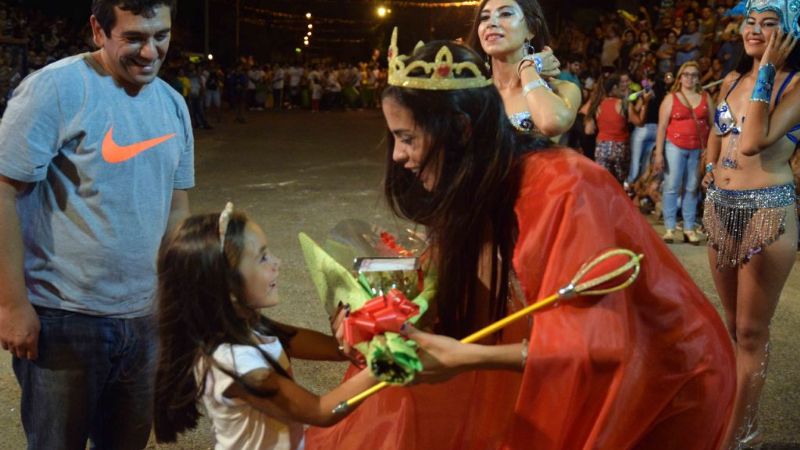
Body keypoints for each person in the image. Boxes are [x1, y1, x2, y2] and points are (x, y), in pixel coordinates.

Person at [309, 31, 735, 450]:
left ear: (459, 129)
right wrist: (377, 322)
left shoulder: (567, 186)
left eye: (407, 138)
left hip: (663, 385)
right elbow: (448, 292)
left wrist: (464, 357)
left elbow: (602, 344)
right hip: (592, 363)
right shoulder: (474, 184)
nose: (399, 157)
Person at [0, 1, 193, 448]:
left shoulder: (173, 104)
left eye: (160, 35)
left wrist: (175, 297)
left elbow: (177, 206)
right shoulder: (56, 90)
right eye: (134, 38)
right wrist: (12, 306)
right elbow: (4, 191)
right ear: (97, 30)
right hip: (64, 319)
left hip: (144, 319)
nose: (150, 53)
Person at [153, 206, 377, 449]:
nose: (277, 262)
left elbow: (335, 349)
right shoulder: (235, 363)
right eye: (262, 258)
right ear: (225, 286)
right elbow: (321, 411)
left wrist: (349, 333)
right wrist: (385, 365)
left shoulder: (253, 327)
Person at [702, 1, 800, 446]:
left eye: (769, 23)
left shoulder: (795, 84)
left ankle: (739, 433)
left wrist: (767, 68)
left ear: (791, 32)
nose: (755, 29)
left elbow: (754, 141)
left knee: (750, 330)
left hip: (767, 211)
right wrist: (707, 171)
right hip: (720, 206)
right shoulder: (731, 79)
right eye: (750, 21)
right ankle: (733, 416)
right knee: (728, 324)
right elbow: (720, 134)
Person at [467, 0, 581, 137]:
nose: (491, 23)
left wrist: (527, 67)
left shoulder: (562, 90)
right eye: (484, 17)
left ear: (532, 29)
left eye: (505, 14)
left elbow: (552, 122)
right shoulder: (471, 91)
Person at [653, 61, 714, 244]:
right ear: (680, 78)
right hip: (674, 146)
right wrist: (658, 154)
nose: (690, 78)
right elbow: (662, 127)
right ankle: (670, 228)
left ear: (698, 78)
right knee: (672, 186)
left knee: (692, 187)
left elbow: (713, 125)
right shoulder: (671, 98)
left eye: (694, 74)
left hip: (698, 149)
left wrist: (710, 150)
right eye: (686, 74)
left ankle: (688, 228)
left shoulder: (706, 97)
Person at [583, 73, 634, 184]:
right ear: (614, 87)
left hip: (601, 146)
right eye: (621, 84)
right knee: (618, 182)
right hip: (616, 146)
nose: (624, 86)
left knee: (602, 182)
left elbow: (587, 129)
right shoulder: (618, 102)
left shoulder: (597, 102)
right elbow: (636, 120)